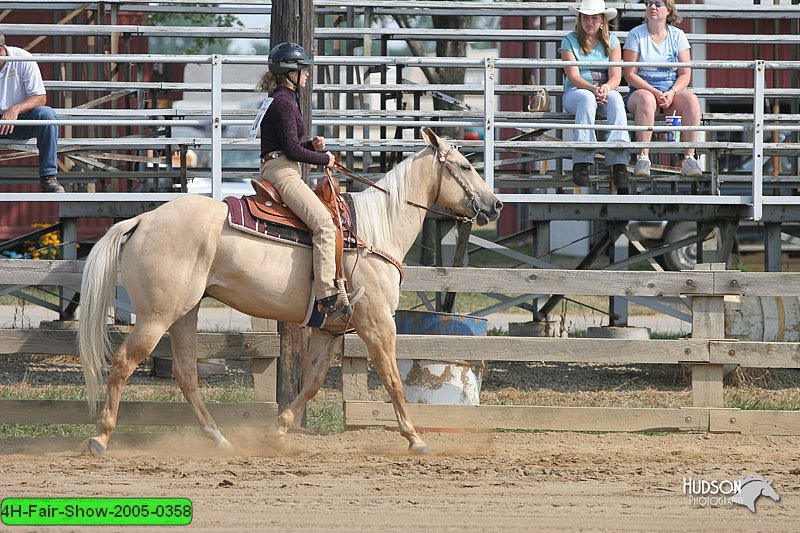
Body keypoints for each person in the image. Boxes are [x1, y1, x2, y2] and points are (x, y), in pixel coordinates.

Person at [256, 42, 362, 322]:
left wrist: (311, 147)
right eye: (303, 69)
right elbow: (290, 151)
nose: (306, 74)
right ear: (290, 72)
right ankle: (327, 296)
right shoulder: (283, 102)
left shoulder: (281, 99)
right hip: (283, 171)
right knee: (325, 226)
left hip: (279, 165)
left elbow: (288, 145)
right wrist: (324, 158)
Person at [622, 0, 703, 178]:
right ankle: (643, 157)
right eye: (649, 3)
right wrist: (654, 91)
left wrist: (671, 92)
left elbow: (685, 74)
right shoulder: (636, 34)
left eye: (658, 3)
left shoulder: (678, 35)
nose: (652, 7)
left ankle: (689, 157)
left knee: (691, 100)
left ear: (668, 10)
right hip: (641, 92)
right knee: (646, 99)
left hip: (670, 94)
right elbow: (630, 74)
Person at [560, 0, 630, 193]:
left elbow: (616, 76)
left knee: (616, 99)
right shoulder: (569, 40)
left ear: (602, 20)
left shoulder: (613, 41)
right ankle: (582, 160)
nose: (590, 22)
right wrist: (593, 89)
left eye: (594, 18)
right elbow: (573, 76)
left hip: (604, 93)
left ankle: (619, 162)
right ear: (580, 19)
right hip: (577, 93)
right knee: (586, 98)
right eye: (585, 18)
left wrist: (606, 88)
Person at [0, 32, 62, 192]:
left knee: (47, 115)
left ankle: (48, 177)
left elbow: (40, 97)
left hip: (20, 121)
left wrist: (15, 109)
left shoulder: (22, 58)